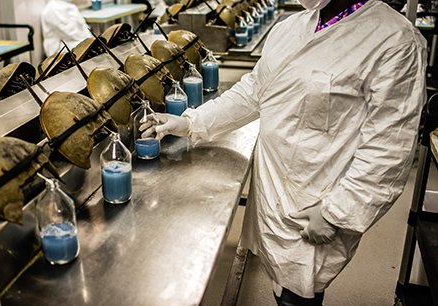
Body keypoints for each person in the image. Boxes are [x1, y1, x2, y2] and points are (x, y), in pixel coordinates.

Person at [141, 0, 427, 304]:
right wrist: (188, 121)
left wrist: (337, 212)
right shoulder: (291, 28)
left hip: (318, 201)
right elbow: (253, 92)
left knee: (300, 292)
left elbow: (388, 147)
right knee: (282, 284)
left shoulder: (394, 40)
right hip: (273, 191)